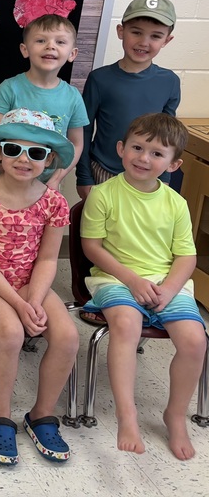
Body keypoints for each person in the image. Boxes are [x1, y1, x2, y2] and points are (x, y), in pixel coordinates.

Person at [80, 112, 206, 460]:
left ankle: (175, 416)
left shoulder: (176, 203)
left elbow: (186, 256)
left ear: (173, 165)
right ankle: (127, 414)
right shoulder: (103, 195)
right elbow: (92, 247)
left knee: (195, 341)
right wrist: (132, 280)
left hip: (167, 283)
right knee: (126, 324)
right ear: (121, 148)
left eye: (156, 153)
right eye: (137, 148)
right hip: (115, 279)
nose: (143, 158)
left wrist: (169, 288)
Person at [0, 108, 78, 466]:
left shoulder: (55, 202)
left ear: (50, 159)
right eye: (13, 149)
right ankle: (1, 418)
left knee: (67, 337)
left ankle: (41, 415)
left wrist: (35, 299)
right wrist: (18, 303)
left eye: (36, 152)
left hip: (33, 282)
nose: (24, 159)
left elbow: (48, 260)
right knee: (11, 332)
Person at [77, 0, 180, 198]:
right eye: (136, 32)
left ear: (167, 40)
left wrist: (165, 177)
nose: (144, 42)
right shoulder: (99, 79)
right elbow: (84, 130)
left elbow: (169, 135)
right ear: (121, 31)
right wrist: (84, 176)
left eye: (155, 36)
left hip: (149, 175)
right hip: (104, 172)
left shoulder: (170, 81)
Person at [0, 14, 87, 192]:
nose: (50, 46)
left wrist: (57, 178)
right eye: (41, 40)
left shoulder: (73, 97)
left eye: (60, 42)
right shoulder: (9, 88)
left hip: (46, 186)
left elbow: (76, 144)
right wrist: (10, 176)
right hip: (4, 182)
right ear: (25, 50)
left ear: (72, 54)